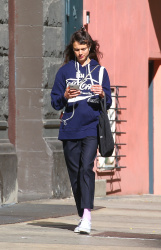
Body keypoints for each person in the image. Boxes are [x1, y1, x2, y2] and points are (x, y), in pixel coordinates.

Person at [51, 27, 112, 234]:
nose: (80, 53)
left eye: (84, 48)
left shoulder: (100, 71)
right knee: (75, 174)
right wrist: (65, 96)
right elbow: (54, 101)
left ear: (90, 47)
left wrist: (102, 93)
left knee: (86, 168)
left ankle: (87, 216)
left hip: (91, 128)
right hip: (69, 128)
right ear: (73, 49)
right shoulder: (64, 71)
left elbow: (109, 102)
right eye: (77, 49)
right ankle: (82, 213)